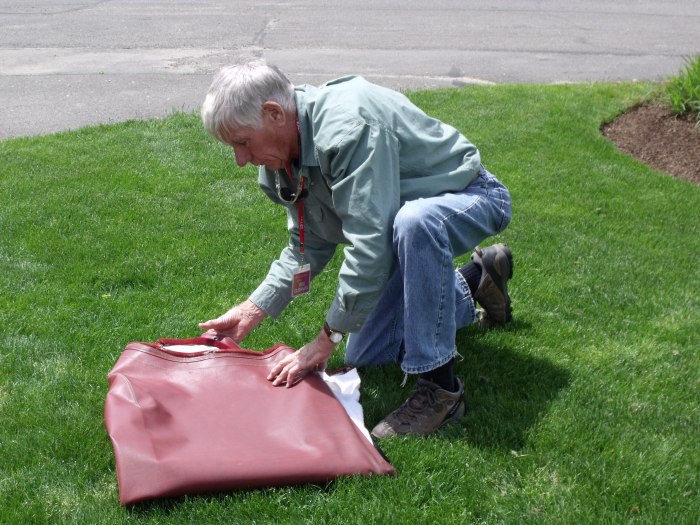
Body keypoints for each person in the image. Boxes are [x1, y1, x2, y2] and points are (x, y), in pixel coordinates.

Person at [198, 59, 513, 438]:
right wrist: (254, 308)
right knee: (368, 356)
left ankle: (440, 390)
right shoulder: (281, 161)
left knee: (414, 223)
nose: (240, 160)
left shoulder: (347, 130)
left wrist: (325, 339)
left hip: (470, 194)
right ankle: (477, 279)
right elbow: (306, 245)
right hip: (401, 228)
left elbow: (370, 247)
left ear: (274, 113)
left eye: (242, 142)